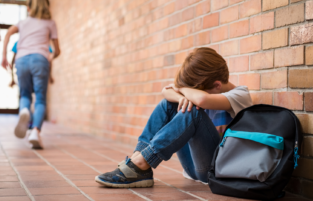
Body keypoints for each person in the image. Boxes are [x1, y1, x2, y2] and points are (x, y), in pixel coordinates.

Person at [95, 47, 253, 188]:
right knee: (168, 104)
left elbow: (202, 99)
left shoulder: (240, 95)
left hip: (216, 169)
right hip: (193, 167)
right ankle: (138, 162)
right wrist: (179, 96)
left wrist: (181, 89)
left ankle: (142, 162)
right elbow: (166, 92)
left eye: (196, 91)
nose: (192, 93)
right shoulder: (204, 92)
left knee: (193, 112)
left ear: (217, 85)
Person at [1, 0, 60, 149]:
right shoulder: (50, 23)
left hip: (21, 60)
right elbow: (57, 50)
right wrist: (50, 57)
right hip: (40, 59)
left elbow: (8, 33)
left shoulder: (22, 22)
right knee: (40, 99)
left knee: (25, 95)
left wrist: (3, 57)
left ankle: (25, 111)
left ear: (29, 8)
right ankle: (35, 131)